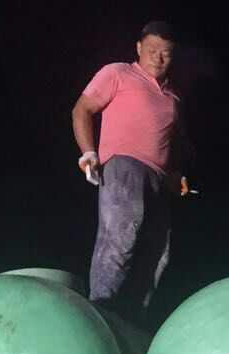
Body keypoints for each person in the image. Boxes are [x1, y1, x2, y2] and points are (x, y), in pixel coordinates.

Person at [72, 20, 192, 322]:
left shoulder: (173, 97)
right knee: (121, 237)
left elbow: (169, 142)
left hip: (158, 178)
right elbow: (82, 109)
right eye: (152, 50)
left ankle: (133, 319)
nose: (158, 58)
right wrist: (88, 152)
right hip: (124, 165)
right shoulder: (118, 73)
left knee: (158, 252)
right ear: (138, 48)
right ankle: (101, 308)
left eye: (165, 53)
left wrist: (175, 175)